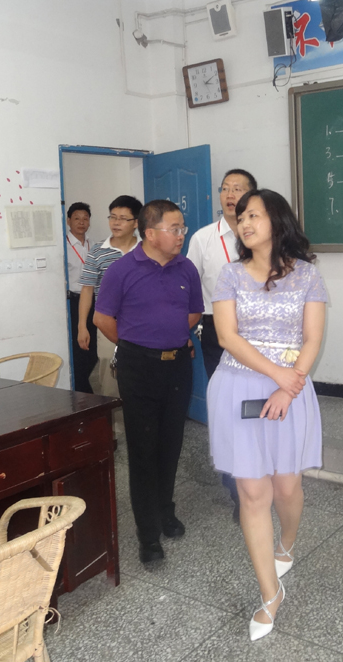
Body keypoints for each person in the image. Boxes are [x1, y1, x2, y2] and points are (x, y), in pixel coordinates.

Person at [207, 189, 327, 641]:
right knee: (253, 493)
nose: (244, 223)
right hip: (239, 386)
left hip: (289, 391)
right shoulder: (230, 275)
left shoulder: (308, 276)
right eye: (240, 217)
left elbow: (312, 338)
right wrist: (277, 376)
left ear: (277, 220)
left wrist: (288, 384)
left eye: (253, 215)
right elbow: (227, 336)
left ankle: (287, 542)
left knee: (286, 486)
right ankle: (270, 592)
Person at [94, 199, 203, 564]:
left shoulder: (186, 268)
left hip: (178, 366)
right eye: (175, 229)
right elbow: (102, 319)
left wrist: (168, 334)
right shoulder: (122, 270)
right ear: (151, 233)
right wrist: (137, 343)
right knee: (143, 449)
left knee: (171, 444)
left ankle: (165, 510)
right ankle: (147, 533)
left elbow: (193, 313)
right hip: (138, 368)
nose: (182, 235)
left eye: (183, 228)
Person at [186, 168, 257, 522]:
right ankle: (236, 489)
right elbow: (188, 287)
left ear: (252, 195)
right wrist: (189, 329)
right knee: (228, 407)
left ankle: (258, 475)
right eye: (225, 188)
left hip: (258, 328)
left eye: (238, 188)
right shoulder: (203, 238)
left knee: (256, 404)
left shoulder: (261, 233)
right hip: (216, 329)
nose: (230, 194)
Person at [77, 195, 141, 398]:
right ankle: (115, 418)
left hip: (142, 323)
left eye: (123, 218)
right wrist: (82, 326)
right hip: (107, 322)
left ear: (136, 222)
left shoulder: (147, 249)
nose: (116, 222)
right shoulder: (97, 251)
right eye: (112, 217)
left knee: (141, 375)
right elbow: (87, 289)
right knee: (109, 379)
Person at [65, 202, 96, 393]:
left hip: (95, 301)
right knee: (79, 348)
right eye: (77, 218)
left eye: (85, 218)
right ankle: (82, 392)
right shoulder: (64, 246)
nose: (81, 222)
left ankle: (92, 390)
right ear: (68, 221)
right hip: (74, 301)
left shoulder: (94, 245)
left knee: (93, 347)